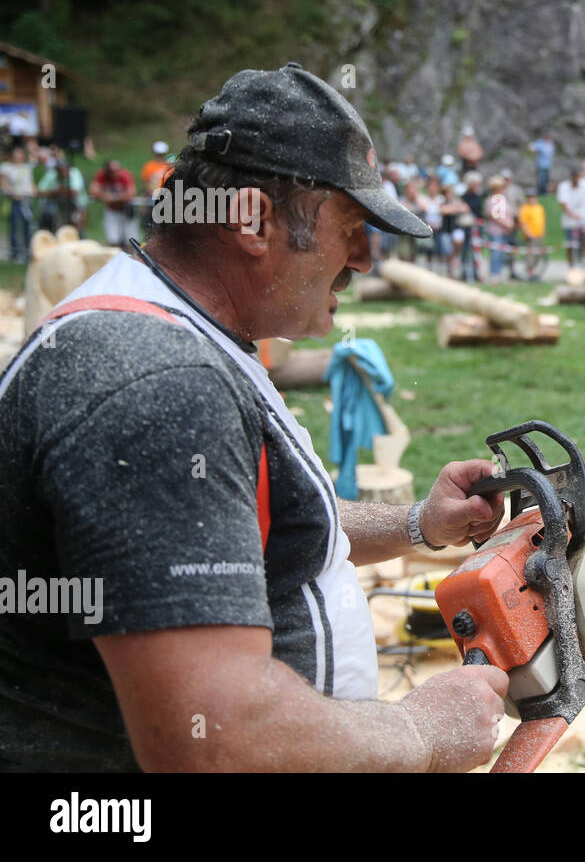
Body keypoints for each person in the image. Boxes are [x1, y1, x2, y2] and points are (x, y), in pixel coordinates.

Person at [0, 63, 509, 772]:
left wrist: (415, 525)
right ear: (250, 220)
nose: (365, 259)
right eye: (352, 226)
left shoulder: (182, 332)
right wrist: (420, 734)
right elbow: (215, 733)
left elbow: (243, 525)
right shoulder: (155, 384)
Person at [90, 159, 139, 249]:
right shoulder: (102, 176)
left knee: (131, 240)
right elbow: (94, 190)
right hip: (112, 211)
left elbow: (131, 192)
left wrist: (114, 198)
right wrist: (104, 196)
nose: (115, 174)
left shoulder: (125, 175)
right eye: (112, 172)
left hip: (126, 210)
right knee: (113, 240)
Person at [1, 145, 36, 262]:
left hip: (27, 201)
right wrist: (13, 194)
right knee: (15, 226)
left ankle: (27, 252)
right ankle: (15, 253)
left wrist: (33, 192)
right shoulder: (6, 168)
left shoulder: (26, 168)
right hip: (15, 201)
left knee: (28, 226)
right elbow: (4, 185)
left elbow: (31, 183)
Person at [37, 158, 89, 235]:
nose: (62, 173)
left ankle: (78, 236)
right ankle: (52, 233)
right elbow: (39, 192)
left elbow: (74, 193)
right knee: (49, 212)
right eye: (59, 171)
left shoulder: (75, 173)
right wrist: (56, 192)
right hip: (56, 204)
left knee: (77, 217)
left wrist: (58, 191)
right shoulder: (51, 174)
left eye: (64, 170)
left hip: (77, 204)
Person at [556, 167, 585, 266]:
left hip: (584, 218)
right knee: (571, 244)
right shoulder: (564, 186)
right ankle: (571, 265)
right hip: (569, 220)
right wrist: (572, 215)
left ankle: (581, 256)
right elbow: (563, 203)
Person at [517, 189, 546, 280]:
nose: (532, 199)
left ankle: (532, 270)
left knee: (538, 254)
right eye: (530, 197)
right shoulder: (524, 208)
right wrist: (528, 233)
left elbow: (542, 221)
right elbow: (523, 223)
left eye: (533, 197)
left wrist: (543, 232)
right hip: (530, 236)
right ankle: (529, 272)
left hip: (539, 235)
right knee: (531, 255)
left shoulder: (539, 207)